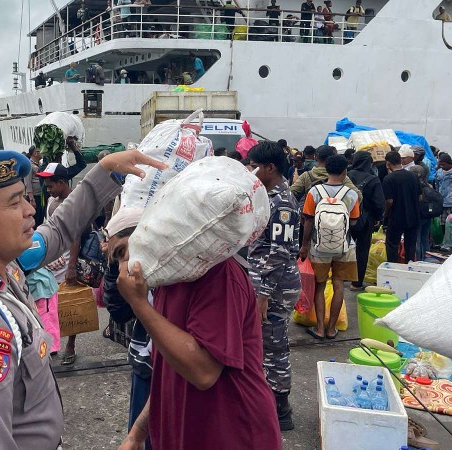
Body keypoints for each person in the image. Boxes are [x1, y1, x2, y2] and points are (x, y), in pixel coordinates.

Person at [0, 149, 163, 449]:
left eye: (26, 197)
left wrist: (104, 173)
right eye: (14, 202)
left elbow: (57, 230)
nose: (30, 209)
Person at [116, 244, 281, 446]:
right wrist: (138, 433)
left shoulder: (219, 275)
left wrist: (139, 304)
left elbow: (203, 372)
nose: (122, 265)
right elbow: (171, 374)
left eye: (123, 250)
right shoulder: (168, 282)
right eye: (116, 257)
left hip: (233, 435)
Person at [246, 142, 301, 431]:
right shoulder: (266, 196)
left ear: (269, 168)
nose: (250, 170)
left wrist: (263, 293)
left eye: (254, 165)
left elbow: (279, 252)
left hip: (276, 286)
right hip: (268, 281)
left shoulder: (281, 203)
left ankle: (281, 408)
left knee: (274, 345)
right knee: (266, 343)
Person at [103, 208, 153, 449]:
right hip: (143, 369)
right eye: (117, 255)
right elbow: (119, 312)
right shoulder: (136, 280)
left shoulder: (176, 280)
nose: (125, 261)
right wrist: (113, 268)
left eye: (125, 249)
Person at [300, 155, 360, 340]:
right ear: (345, 172)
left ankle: (319, 328)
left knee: (319, 286)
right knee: (339, 285)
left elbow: (308, 220)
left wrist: (304, 245)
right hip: (344, 246)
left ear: (327, 170)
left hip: (319, 247)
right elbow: (355, 221)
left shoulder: (315, 192)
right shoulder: (351, 194)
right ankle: (332, 329)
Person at [38, 162, 82, 365]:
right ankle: (53, 341)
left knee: (70, 302)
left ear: (62, 183)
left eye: (50, 186)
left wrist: (72, 266)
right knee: (51, 303)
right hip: (54, 260)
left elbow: (76, 237)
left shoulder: (74, 202)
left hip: (69, 260)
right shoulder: (52, 201)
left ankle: (70, 345)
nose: (48, 190)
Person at [347, 151, 385, 290]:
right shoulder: (373, 179)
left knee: (344, 247)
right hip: (365, 219)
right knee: (362, 250)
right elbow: (379, 203)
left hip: (345, 217)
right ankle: (356, 282)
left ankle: (341, 276)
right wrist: (377, 218)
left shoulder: (347, 175)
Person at [291, 145, 360, 209]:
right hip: (338, 219)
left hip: (313, 218)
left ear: (315, 157)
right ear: (333, 157)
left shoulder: (306, 176)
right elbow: (358, 196)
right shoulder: (340, 176)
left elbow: (290, 193)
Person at [382, 150, 421, 262]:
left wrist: (386, 213)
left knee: (392, 245)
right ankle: (409, 267)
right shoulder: (413, 176)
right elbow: (420, 197)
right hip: (413, 216)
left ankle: (393, 268)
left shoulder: (388, 179)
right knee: (410, 245)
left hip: (396, 217)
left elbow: (389, 201)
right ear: (400, 161)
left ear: (388, 163)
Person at [408, 165, 433, 261]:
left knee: (416, 240)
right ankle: (428, 259)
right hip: (428, 215)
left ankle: (418, 260)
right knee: (425, 238)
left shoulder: (414, 185)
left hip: (418, 215)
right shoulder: (428, 185)